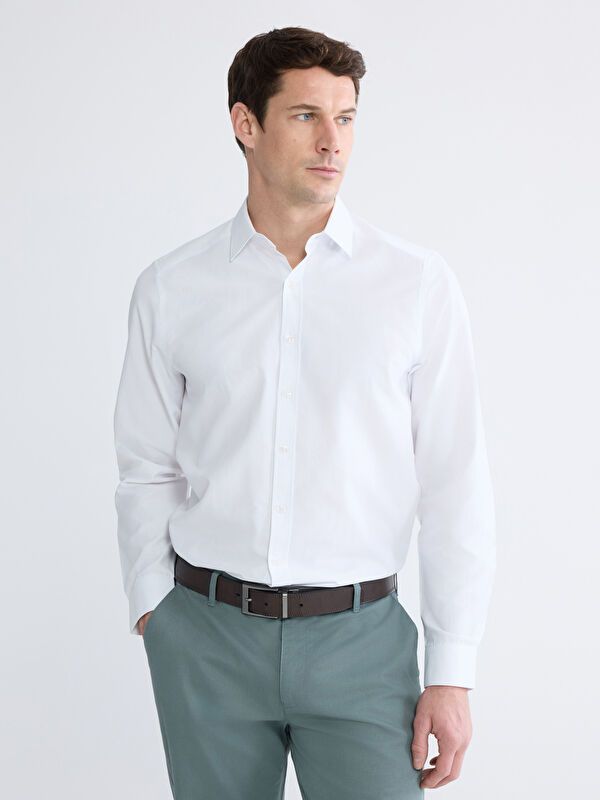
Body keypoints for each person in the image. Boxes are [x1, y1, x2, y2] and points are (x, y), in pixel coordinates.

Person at [113, 25, 496, 799]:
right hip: (207, 639)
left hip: (363, 645)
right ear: (245, 123)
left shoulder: (415, 285)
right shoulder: (172, 288)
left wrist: (451, 672)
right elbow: (146, 467)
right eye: (305, 116)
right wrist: (156, 611)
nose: (333, 141)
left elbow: (455, 483)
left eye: (346, 117)